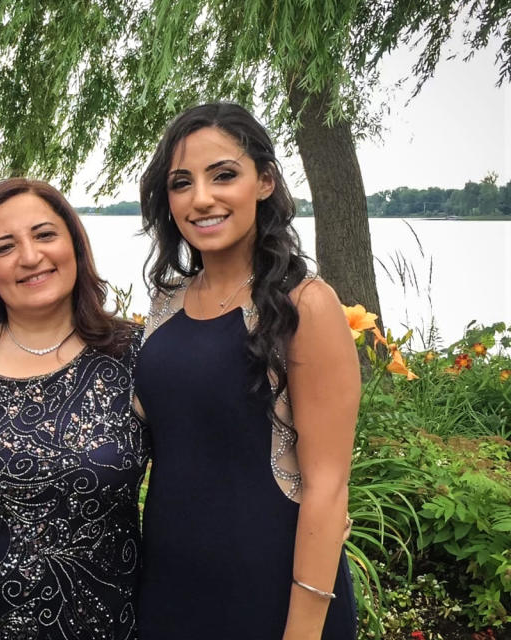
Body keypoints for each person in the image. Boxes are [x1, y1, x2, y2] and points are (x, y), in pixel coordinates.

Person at [134, 103, 359, 639]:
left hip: (273, 594)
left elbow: (327, 488)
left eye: (224, 175)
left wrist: (302, 632)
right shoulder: (164, 306)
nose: (202, 198)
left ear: (265, 182)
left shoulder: (305, 305)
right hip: (171, 589)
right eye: (181, 183)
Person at [0, 178, 147, 640]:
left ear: (75, 247)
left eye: (45, 235)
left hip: (109, 626)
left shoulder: (134, 356)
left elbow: (201, 485)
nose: (29, 256)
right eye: (5, 247)